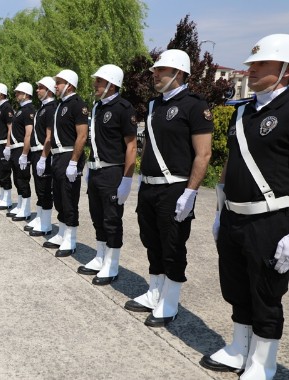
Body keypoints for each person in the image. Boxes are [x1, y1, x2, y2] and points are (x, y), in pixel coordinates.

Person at [200, 34, 289, 379]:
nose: (251, 70)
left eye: (261, 63)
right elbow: (232, 163)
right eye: (251, 63)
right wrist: (222, 211)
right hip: (236, 215)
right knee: (236, 286)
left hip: (273, 220)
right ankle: (239, 348)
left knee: (265, 293)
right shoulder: (245, 112)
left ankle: (263, 363)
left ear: (285, 69)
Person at [123, 49, 213, 327]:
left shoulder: (195, 106)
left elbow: (204, 154)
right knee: (151, 240)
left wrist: (191, 192)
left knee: (173, 245)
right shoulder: (153, 106)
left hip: (175, 187)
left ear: (179, 73)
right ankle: (154, 292)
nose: (156, 75)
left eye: (161, 71)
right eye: (155, 71)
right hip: (149, 186)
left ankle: (170, 301)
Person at [79, 64, 137, 286]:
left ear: (112, 85)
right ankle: (100, 256)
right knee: (97, 216)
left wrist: (127, 180)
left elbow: (131, 146)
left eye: (100, 82)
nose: (95, 84)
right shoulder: (97, 108)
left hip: (113, 171)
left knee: (112, 219)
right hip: (95, 170)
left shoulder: (124, 108)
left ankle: (112, 264)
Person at [44, 70, 88, 257]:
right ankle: (62, 233)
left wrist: (74, 162)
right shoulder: (61, 105)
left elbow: (82, 135)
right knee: (59, 197)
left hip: (69, 155)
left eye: (59, 82)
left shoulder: (78, 105)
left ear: (69, 85)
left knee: (69, 198)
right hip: (58, 156)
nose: (56, 86)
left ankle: (70, 239)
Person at [26, 76, 57, 236]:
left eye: (40, 87)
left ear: (49, 90)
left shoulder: (51, 108)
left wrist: (44, 157)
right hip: (36, 152)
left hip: (43, 152)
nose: (37, 90)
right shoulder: (43, 108)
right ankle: (39, 218)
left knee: (45, 189)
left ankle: (46, 224)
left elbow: (49, 136)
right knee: (39, 188)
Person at [7, 82, 35, 221]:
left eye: (18, 92)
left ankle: (26, 209)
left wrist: (25, 154)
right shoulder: (20, 110)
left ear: (26, 94)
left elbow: (28, 134)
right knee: (17, 179)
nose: (16, 95)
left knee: (23, 179)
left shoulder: (29, 110)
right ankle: (20, 205)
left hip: (21, 149)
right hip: (15, 149)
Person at [0, 83, 15, 210]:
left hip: (4, 144)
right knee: (0, 172)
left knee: (5, 172)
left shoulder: (7, 108)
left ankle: (8, 198)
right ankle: (2, 196)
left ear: (1, 94)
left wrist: (8, 145)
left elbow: (10, 128)